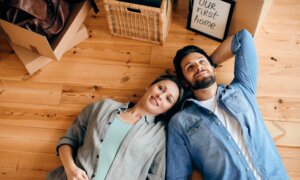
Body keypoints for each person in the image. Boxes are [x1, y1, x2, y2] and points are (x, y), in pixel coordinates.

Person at [167, 29, 289, 180]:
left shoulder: (243, 89)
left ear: (213, 68)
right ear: (185, 82)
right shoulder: (180, 122)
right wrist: (206, 66)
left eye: (201, 62)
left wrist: (210, 64)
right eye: (190, 67)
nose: (198, 67)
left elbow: (243, 37)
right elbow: (176, 176)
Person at [47, 73, 184, 180]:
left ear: (168, 110)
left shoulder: (161, 135)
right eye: (160, 88)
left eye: (168, 99)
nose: (160, 96)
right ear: (149, 86)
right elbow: (69, 140)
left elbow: (156, 177)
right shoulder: (103, 107)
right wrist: (71, 169)